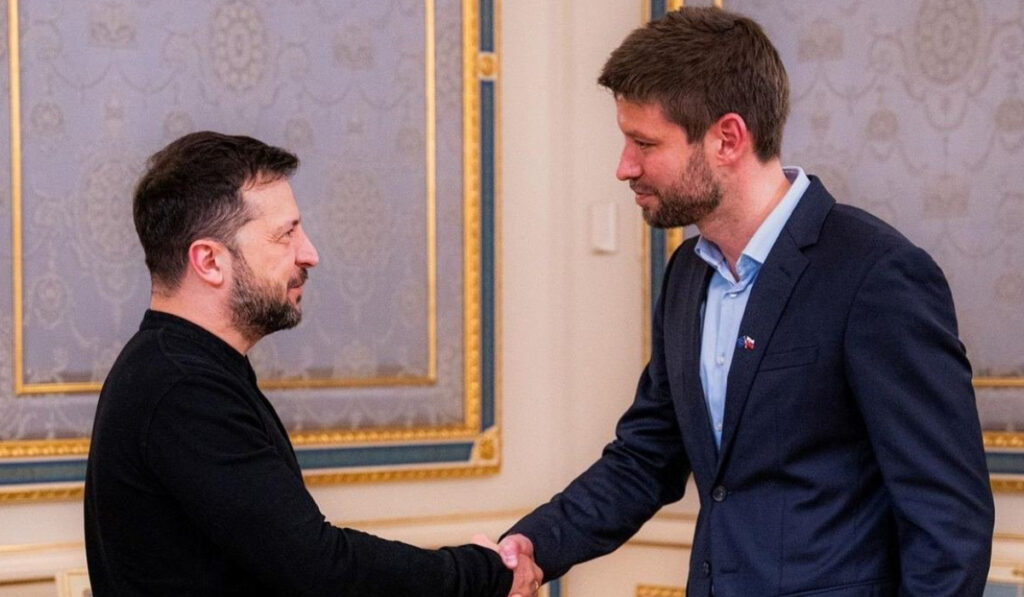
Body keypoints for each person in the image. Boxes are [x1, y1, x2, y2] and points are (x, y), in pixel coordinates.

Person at [493, 7, 994, 597]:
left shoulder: (877, 275)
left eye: (644, 143)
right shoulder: (687, 274)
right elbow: (647, 457)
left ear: (727, 138)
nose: (624, 167)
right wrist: (535, 546)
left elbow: (948, 519)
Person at [84, 131, 541, 596]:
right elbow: (318, 567)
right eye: (286, 235)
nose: (310, 254)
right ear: (209, 261)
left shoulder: (181, 367)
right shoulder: (183, 388)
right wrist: (481, 575)